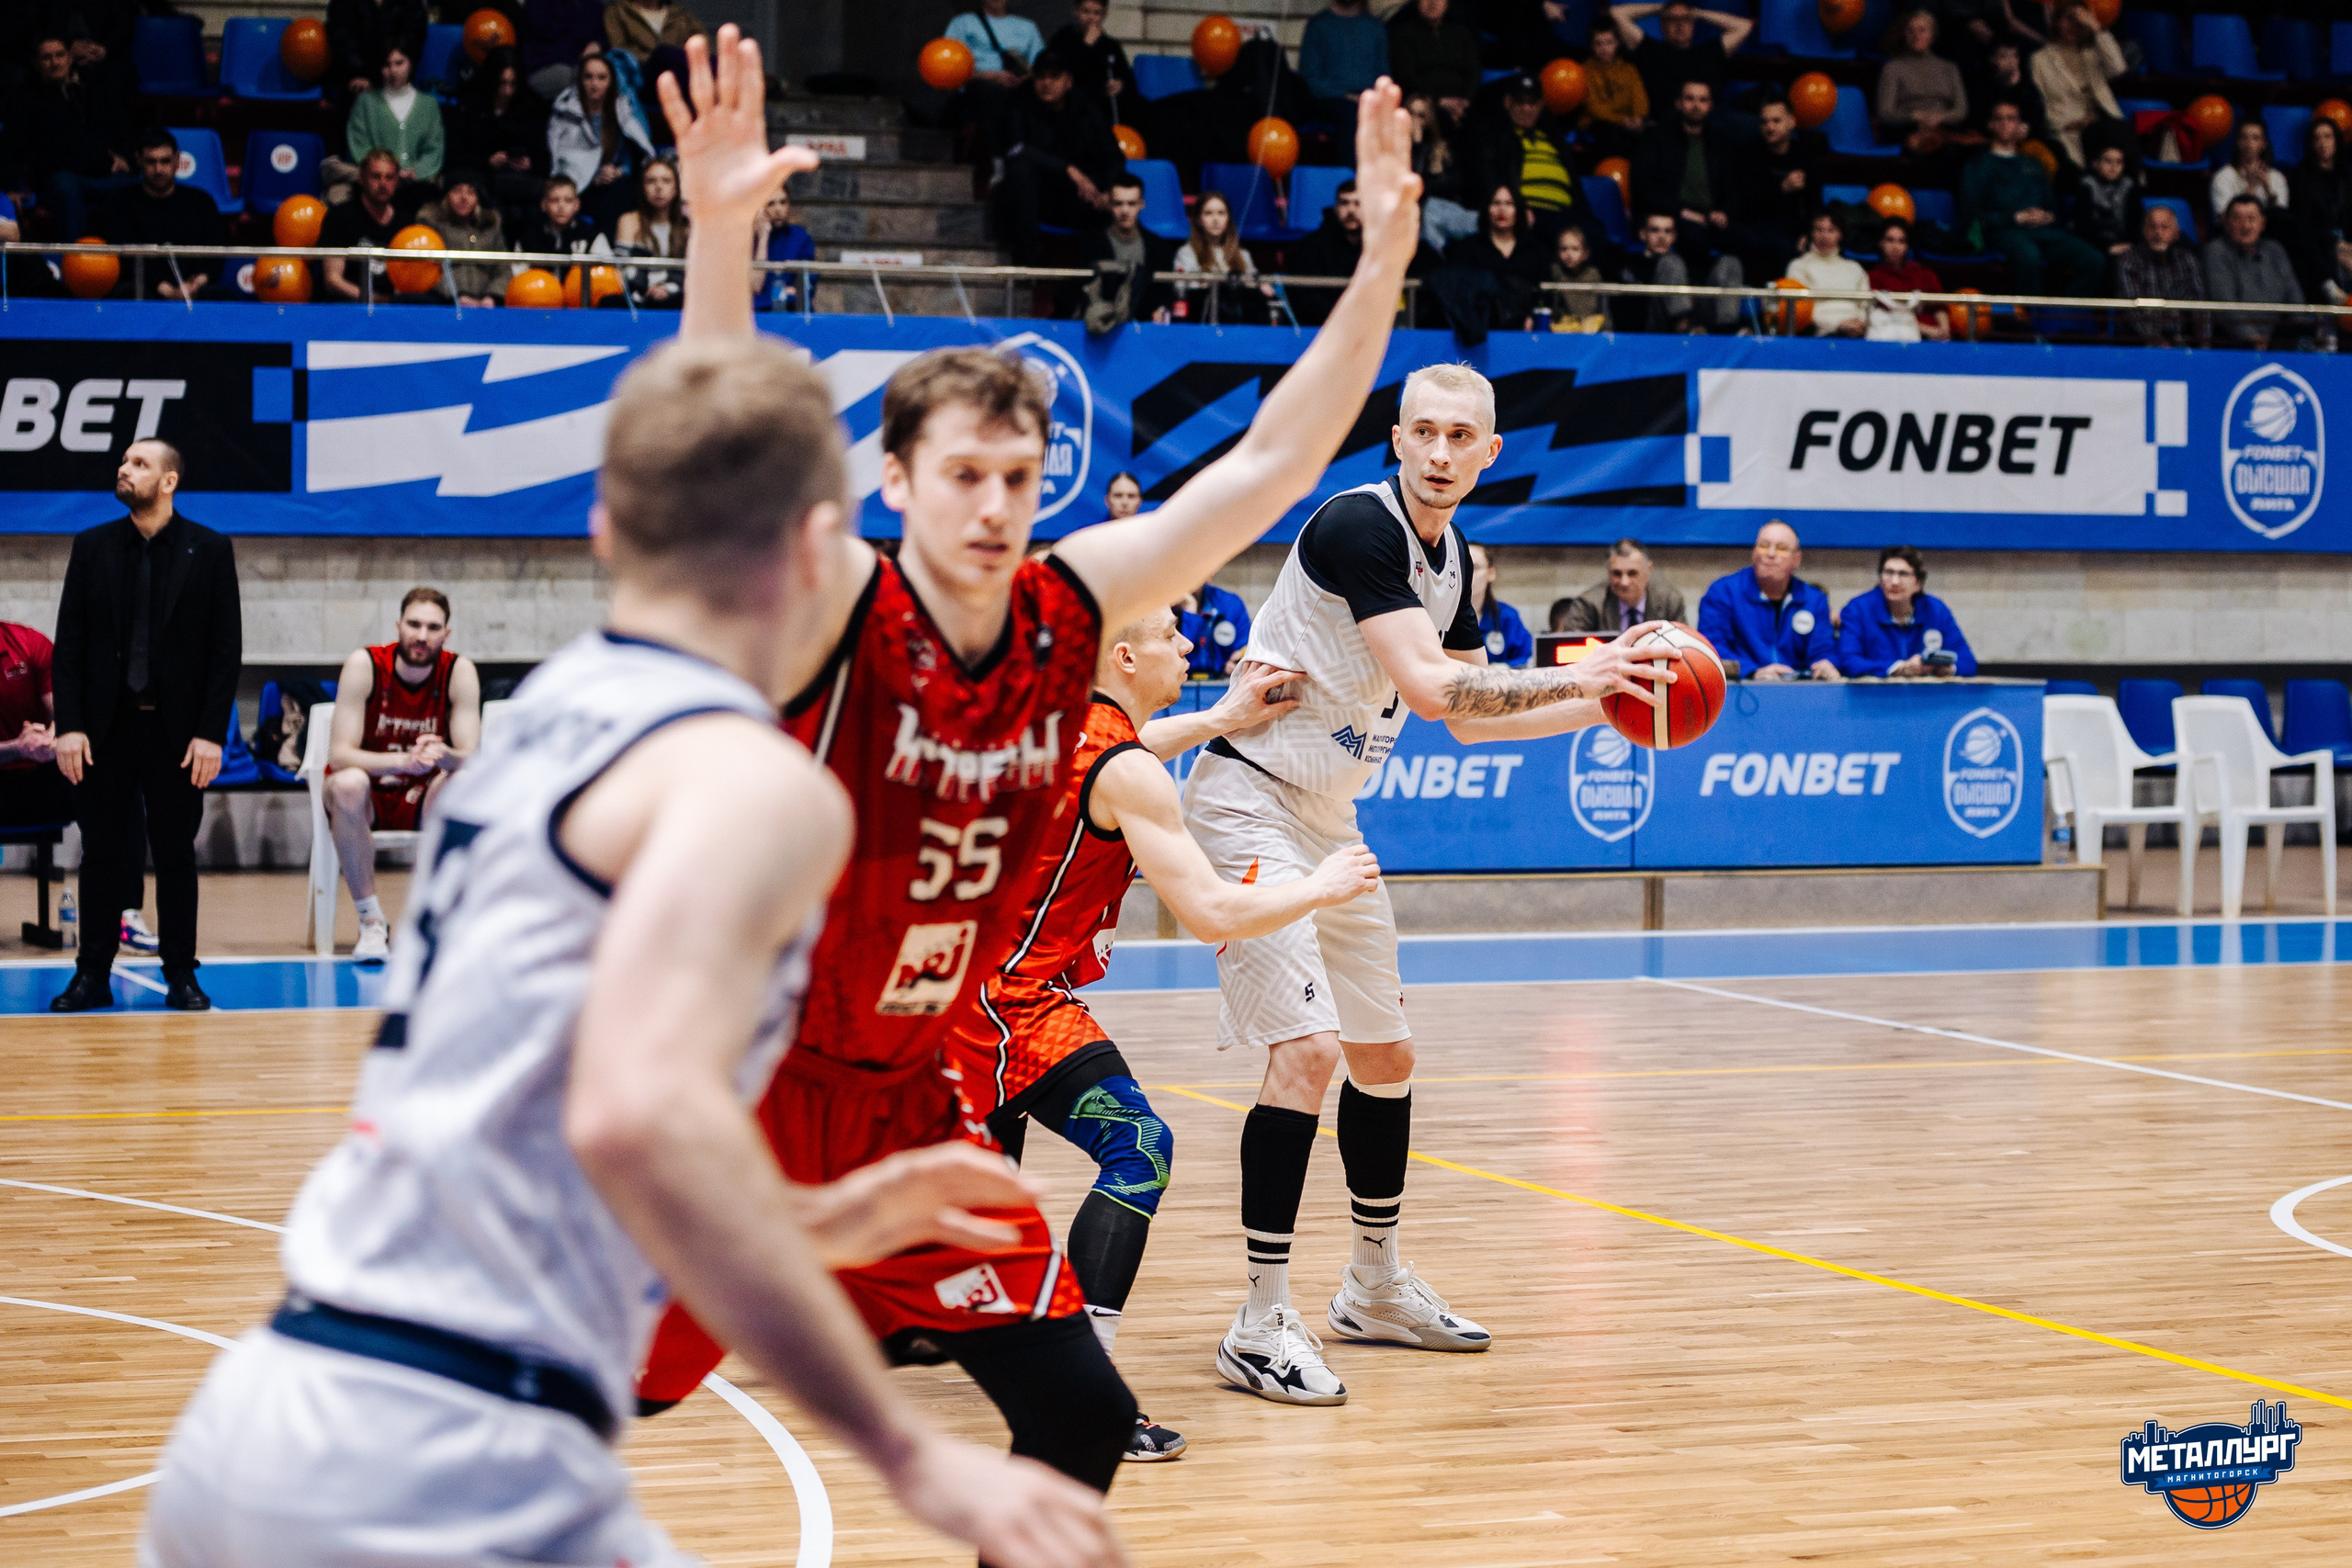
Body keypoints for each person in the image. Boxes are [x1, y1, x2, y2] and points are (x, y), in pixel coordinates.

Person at [137, 267, 1126, 1568]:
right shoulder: (748, 777)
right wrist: (911, 1453)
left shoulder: (542, 723)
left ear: (603, 527)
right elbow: (631, 1120)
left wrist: (839, 1220)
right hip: (455, 1455)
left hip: (275, 1403)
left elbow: (586, 1167)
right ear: (816, 546)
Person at [635, 44, 1438, 1506]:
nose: (996, 502)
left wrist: (1382, 256)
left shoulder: (1071, 613)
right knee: (573, 1402)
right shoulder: (837, 610)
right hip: (751, 1082)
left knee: (1077, 1413)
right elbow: (724, 438)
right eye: (962, 475)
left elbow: (1264, 462)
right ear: (896, 487)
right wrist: (713, 233)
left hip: (915, 1098)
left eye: (1019, 474)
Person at [1178, 362, 1667, 1407]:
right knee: (1306, 1054)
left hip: (1326, 819)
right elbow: (1434, 690)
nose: (1440, 453)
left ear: (1490, 453)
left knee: (1385, 1053)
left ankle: (1372, 1287)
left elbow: (1477, 709)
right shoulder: (1357, 527)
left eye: (1461, 438)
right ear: (1394, 440)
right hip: (1247, 801)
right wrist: (1590, 668)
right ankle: (1259, 1319)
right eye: (1424, 434)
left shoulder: (1454, 564)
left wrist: (1610, 706)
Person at [951, 636, 1381, 1463]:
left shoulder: (1071, 724)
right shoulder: (1125, 769)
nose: (1187, 639)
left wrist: (1219, 718)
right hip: (1010, 1001)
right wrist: (1320, 886)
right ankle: (1086, 1401)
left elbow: (1126, 754)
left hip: (973, 984)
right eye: (1169, 629)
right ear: (1124, 654)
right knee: (1139, 1145)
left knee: (970, 1197)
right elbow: (1215, 912)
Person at [49, 440, 240, 1015]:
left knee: (175, 853)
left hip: (177, 735)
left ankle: (182, 974)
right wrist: (70, 726)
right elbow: (70, 646)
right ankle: (92, 975)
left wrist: (211, 733)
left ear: (168, 482)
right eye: (124, 462)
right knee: (101, 854)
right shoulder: (93, 547)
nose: (124, 470)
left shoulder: (208, 549)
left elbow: (224, 650)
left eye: (139, 464)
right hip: (104, 731)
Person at [322, 589, 481, 962]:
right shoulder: (365, 664)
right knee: (348, 783)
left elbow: (471, 757)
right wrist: (403, 762)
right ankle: (371, 921)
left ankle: (443, 916)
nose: (421, 636)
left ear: (447, 634)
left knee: (465, 783)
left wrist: (446, 756)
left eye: (432, 627)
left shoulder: (460, 672)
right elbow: (341, 754)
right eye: (414, 624)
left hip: (422, 794)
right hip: (367, 793)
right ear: (398, 626)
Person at [1960, 99, 2103, 299]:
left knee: (2093, 259)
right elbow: (1972, 215)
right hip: (2005, 232)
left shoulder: (2033, 164)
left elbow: (2051, 205)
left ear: (2020, 126)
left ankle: (2067, 314)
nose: (2004, 123)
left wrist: (2047, 216)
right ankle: (2033, 321)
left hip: (2043, 232)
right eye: (1999, 118)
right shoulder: (1978, 166)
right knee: (2029, 256)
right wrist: (2015, 218)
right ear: (1990, 124)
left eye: (2011, 119)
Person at [995, 51, 1122, 267]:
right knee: (1019, 171)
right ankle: (1029, 265)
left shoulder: (1086, 110)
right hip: (1039, 198)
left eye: (1054, 76)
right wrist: (1067, 168)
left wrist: (1109, 191)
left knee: (1117, 199)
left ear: (1068, 81)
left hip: (1079, 197)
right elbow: (1016, 150)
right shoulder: (1020, 105)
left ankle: (1100, 276)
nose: (1046, 83)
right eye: (1041, 76)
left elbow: (1113, 156)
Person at [22, 33, 135, 243]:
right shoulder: (29, 100)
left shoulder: (93, 90)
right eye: (47, 57)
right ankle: (72, 262)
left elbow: (118, 130)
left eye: (60, 55)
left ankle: (129, 265)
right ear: (38, 63)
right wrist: (106, 162)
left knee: (137, 186)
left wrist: (125, 159)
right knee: (66, 188)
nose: (55, 62)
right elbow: (55, 151)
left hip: (102, 175)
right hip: (61, 177)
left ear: (70, 58)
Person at [1695, 521, 1838, 681]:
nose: (1770, 554)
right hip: (1741, 692)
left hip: (1799, 693)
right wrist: (1753, 671)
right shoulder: (1723, 593)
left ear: (1796, 559)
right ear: (1754, 553)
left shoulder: (1814, 600)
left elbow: (1824, 650)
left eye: (1781, 548)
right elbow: (1712, 649)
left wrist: (1826, 664)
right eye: (1763, 545)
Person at [97, 129, 226, 302]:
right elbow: (126, 259)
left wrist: (194, 285)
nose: (159, 169)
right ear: (138, 160)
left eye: (165, 161)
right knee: (128, 293)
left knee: (222, 297)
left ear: (177, 160)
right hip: (145, 290)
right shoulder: (121, 202)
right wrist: (167, 291)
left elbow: (215, 253)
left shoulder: (201, 202)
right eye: (151, 162)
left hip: (194, 289)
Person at [1631, 80, 1739, 277]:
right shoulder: (1656, 138)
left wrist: (1723, 212)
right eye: (1690, 99)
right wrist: (1682, 212)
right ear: (1678, 103)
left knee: (1743, 241)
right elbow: (1643, 188)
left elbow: (1730, 190)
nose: (1696, 105)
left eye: (1703, 100)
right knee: (1693, 237)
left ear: (1711, 106)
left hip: (1709, 219)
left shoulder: (1719, 144)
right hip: (1670, 214)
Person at [1475, 72, 1586, 249]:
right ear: (1508, 103)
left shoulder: (1555, 140)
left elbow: (1577, 189)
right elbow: (1491, 182)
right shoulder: (1497, 139)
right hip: (1525, 212)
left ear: (1541, 105)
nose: (1527, 108)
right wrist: (1517, 209)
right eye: (1520, 102)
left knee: (1594, 231)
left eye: (1532, 103)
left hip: (1564, 216)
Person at [547, 50, 653, 226]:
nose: (594, 84)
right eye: (588, 77)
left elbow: (633, 154)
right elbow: (560, 159)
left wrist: (619, 171)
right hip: (578, 187)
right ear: (580, 81)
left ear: (611, 82)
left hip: (613, 185)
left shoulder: (622, 112)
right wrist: (591, 176)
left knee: (625, 190)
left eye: (602, 78)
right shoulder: (565, 112)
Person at [1835, 547, 1975, 679]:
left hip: (1925, 697)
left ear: (1918, 583)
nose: (1894, 581)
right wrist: (1899, 668)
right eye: (1888, 572)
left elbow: (1968, 662)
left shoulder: (1936, 610)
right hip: (1874, 697)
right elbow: (1849, 662)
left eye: (1903, 574)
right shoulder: (1858, 609)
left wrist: (1948, 670)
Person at [447, 47, 547, 225]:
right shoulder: (469, 105)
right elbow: (455, 154)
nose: (507, 91)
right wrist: (487, 161)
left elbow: (543, 156)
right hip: (480, 174)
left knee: (532, 202)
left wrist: (529, 163)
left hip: (520, 179)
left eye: (512, 84)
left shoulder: (531, 106)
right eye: (502, 83)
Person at [1730, 93, 1819, 287]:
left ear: (1791, 122)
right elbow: (1746, 204)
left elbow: (1814, 200)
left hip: (1793, 227)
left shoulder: (1805, 155)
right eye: (1764, 122)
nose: (1769, 127)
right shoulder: (1749, 155)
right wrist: (1781, 188)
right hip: (1758, 227)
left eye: (1776, 121)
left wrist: (1808, 233)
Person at [1069, 174, 1177, 328]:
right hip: (1098, 328)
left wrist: (1160, 310)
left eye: (1131, 203)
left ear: (1142, 204)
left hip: (1143, 333)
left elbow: (1165, 294)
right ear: (1109, 205)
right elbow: (1075, 293)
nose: (1125, 210)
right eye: (1118, 204)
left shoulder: (1158, 248)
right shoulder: (1091, 245)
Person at [2027, 1, 2124, 171]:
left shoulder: (2092, 53)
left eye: (2080, 21)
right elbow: (2040, 103)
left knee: (2122, 136)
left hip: (2101, 125)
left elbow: (2119, 68)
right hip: (2067, 128)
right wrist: (2071, 124)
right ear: (2057, 21)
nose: (2075, 26)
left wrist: (2095, 26)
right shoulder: (2039, 60)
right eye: (2069, 19)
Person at [1611, 2, 1750, 119]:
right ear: (1662, 26)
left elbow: (1744, 26)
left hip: (1711, 125)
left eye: (1686, 19)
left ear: (1693, 25)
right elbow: (1616, 13)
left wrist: (1697, 13)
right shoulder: (1650, 50)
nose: (1680, 25)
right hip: (1664, 126)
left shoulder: (1709, 51)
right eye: (1672, 20)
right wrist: (1661, 8)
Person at [1439, 184, 1548, 332]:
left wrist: (1531, 316)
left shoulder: (1535, 251)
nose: (1502, 209)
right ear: (1486, 209)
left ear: (1519, 210)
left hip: (1526, 333)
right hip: (1477, 331)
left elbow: (1544, 294)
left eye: (1509, 204)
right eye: (1496, 203)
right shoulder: (1467, 248)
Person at [2203, 195, 2304, 353]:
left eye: (2251, 219)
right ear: (2226, 223)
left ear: (2262, 223)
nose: (2245, 226)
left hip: (2277, 341)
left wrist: (2302, 327)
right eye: (2237, 219)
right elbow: (2224, 303)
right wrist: (2250, 336)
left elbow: (2294, 294)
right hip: (2232, 344)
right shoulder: (2216, 251)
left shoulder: (2275, 250)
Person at [346, 44, 447, 198]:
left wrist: (417, 172)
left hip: (417, 185)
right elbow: (359, 145)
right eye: (387, 65)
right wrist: (385, 172)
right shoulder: (366, 102)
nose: (393, 71)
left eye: (399, 63)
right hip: (376, 184)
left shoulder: (429, 104)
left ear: (410, 64)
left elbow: (434, 149)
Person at [0, 621, 70, 833]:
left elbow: (65, 715)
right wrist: (18, 747)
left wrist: (49, 739)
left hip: (42, 773)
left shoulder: (29, 642)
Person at [1613, 209, 1729, 333]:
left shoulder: (1686, 265)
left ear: (1674, 237)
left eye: (1668, 231)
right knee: (1670, 262)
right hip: (1649, 330)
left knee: (1729, 262)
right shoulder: (1629, 265)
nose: (1661, 237)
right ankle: (1683, 328)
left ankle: (1731, 334)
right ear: (1643, 234)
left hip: (1694, 326)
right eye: (1654, 230)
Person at [1876, 10, 1969, 157]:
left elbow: (1961, 110)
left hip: (1943, 127)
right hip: (1909, 127)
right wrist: (1914, 116)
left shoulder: (1949, 68)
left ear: (1932, 35)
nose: (1916, 36)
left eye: (1922, 30)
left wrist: (1941, 117)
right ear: (1904, 35)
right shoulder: (1893, 68)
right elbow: (1886, 113)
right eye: (1910, 31)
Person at [321, 150, 410, 302]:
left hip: (391, 309)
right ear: (362, 179)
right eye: (376, 176)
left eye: (389, 177)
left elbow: (409, 280)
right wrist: (375, 300)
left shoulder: (406, 223)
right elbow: (332, 280)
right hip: (348, 307)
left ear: (396, 181)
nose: (383, 184)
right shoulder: (339, 217)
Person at [2114, 201, 2207, 348]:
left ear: (2176, 233)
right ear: (2144, 231)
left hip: (2182, 343)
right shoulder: (2129, 260)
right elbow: (2132, 310)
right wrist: (2158, 344)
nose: (2158, 233)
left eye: (2164, 227)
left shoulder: (2188, 260)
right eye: (2152, 227)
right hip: (2139, 346)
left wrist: (2204, 348)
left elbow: (2199, 306)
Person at [1174, 189, 1274, 322]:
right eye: (1208, 213)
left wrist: (1260, 285)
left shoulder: (1243, 254)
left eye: (1221, 213)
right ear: (1198, 219)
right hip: (1203, 319)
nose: (1216, 219)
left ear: (1228, 218)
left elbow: (1252, 284)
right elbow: (1183, 289)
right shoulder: (1186, 253)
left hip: (1240, 320)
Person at [1554, 539, 1687, 635]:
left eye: (1632, 573)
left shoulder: (1670, 602)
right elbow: (1570, 654)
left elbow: (1684, 648)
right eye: (1617, 573)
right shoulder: (1588, 605)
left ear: (1648, 570)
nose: (1624, 582)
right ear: (1608, 571)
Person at [417, 171, 511, 306]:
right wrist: (456, 296)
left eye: (471, 192)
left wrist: (491, 297)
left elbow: (504, 270)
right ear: (447, 195)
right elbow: (424, 269)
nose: (464, 198)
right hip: (443, 302)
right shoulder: (431, 225)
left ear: (478, 198)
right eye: (457, 191)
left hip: (486, 304)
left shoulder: (491, 228)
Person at [2288, 117, 2350, 303]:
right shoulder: (2301, 176)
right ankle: (2330, 288)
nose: (2323, 143)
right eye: (2317, 138)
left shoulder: (2346, 176)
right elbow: (2303, 219)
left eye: (2328, 137)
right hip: (2318, 242)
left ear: (2337, 141)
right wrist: (2335, 244)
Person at [1387, 0, 1480, 125]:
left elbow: (1473, 72)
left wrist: (1465, 101)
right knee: (1418, 107)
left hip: (1461, 101)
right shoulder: (1403, 34)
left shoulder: (1462, 34)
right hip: (1424, 98)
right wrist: (1439, 100)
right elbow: (1406, 76)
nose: (1432, 3)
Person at [613, 154, 688, 306]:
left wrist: (667, 289)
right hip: (638, 296)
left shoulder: (687, 226)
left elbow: (693, 274)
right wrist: (648, 291)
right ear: (643, 188)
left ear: (676, 188)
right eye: (651, 181)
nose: (658, 187)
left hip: (675, 296)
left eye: (666, 181)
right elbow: (621, 270)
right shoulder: (629, 221)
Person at [1408, 93, 1477, 248]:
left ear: (1429, 120)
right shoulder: (1393, 150)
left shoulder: (1441, 149)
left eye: (1420, 116)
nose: (1414, 122)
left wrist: (1425, 186)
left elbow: (1453, 183)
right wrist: (1415, 147)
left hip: (1442, 209)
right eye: (1411, 114)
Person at [1301, 0, 1388, 124]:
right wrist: (1345, 95)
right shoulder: (1318, 25)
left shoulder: (1375, 27)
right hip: (1330, 101)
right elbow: (1309, 77)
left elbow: (1384, 75)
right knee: (1350, 113)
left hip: (1370, 101)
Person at [1782, 210, 1868, 336]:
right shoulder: (1798, 266)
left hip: (1856, 335)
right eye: (1819, 230)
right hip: (1818, 337)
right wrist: (1837, 325)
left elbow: (1865, 307)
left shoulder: (1855, 268)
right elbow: (1800, 312)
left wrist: (1860, 324)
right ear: (1811, 233)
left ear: (1840, 234)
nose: (1824, 236)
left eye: (1831, 230)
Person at [326, 0, 429, 102]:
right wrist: (359, 73)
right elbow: (341, 37)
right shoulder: (342, 4)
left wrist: (395, 66)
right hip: (354, 73)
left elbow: (414, 36)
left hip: (396, 66)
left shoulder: (412, 4)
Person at [1046, 0, 1136, 114]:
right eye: (1086, 11)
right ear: (1075, 11)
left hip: (1102, 104)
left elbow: (1127, 77)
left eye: (1097, 13)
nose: (1091, 18)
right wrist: (1086, 46)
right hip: (1070, 103)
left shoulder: (1109, 45)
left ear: (1104, 15)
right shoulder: (1062, 38)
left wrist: (1120, 84)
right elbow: (1064, 71)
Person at [1867, 219, 1951, 339]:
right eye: (1890, 240)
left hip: (1936, 339)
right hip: (1894, 337)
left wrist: (1944, 330)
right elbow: (1884, 317)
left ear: (1907, 246)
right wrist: (1928, 331)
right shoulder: (1873, 277)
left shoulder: (1925, 275)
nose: (1895, 246)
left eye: (1901, 241)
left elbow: (1939, 308)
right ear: (1880, 243)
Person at [1576, 24, 1647, 157]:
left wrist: (1638, 118)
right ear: (1591, 45)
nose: (1604, 48)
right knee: (1608, 132)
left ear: (1618, 43)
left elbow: (1639, 97)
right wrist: (1621, 120)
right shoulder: (1584, 70)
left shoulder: (1629, 69)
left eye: (1609, 42)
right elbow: (1593, 107)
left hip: (1629, 123)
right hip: (1598, 124)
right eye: (1598, 43)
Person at [513, 173, 613, 262]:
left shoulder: (593, 236)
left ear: (577, 205)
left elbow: (608, 276)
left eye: (568, 200)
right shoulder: (527, 239)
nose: (561, 207)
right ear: (544, 205)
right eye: (554, 200)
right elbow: (518, 278)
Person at [2066, 141, 2138, 264]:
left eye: (2119, 162)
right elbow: (2082, 226)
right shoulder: (2086, 185)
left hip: (2121, 242)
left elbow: (2135, 222)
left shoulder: (2129, 186)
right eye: (2108, 161)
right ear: (2096, 164)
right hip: (2092, 243)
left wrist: (2128, 245)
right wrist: (2107, 247)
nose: (2113, 167)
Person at [752, 180, 818, 310]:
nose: (778, 209)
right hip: (759, 313)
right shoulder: (750, 239)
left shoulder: (800, 237)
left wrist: (793, 291)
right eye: (771, 204)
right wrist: (763, 236)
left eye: (783, 202)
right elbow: (755, 287)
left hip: (791, 310)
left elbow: (807, 282)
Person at [520, 0, 604, 101]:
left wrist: (597, 44)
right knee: (580, 77)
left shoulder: (592, 5)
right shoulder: (540, 4)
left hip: (582, 66)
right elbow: (541, 42)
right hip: (544, 65)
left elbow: (601, 36)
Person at [1465, 544, 1532, 667]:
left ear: (1491, 573)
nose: (1467, 574)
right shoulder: (1440, 616)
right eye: (1461, 566)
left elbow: (1528, 658)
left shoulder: (1507, 617)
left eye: (1474, 567)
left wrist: (1504, 669)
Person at [2211, 120, 2288, 225]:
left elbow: (2282, 219)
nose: (2249, 143)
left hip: (2270, 233)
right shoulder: (2223, 176)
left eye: (2255, 138)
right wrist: (2251, 187)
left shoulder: (2276, 177)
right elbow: (2223, 219)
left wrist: (2268, 189)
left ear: (2264, 144)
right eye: (2244, 137)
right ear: (2237, 142)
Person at [1176, 579, 1251, 677]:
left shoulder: (1230, 604)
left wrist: (1238, 662)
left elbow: (1244, 648)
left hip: (1221, 684)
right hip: (1179, 684)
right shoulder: (1163, 606)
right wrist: (1190, 611)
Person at [1975, 39, 2043, 142]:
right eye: (2004, 56)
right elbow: (1979, 119)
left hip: (2025, 141)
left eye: (2015, 56)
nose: (2011, 61)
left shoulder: (2028, 87)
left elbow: (2037, 118)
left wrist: (2027, 129)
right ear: (1993, 59)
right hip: (1992, 141)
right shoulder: (1984, 86)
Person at [1545, 225, 1608, 331]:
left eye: (1575, 249)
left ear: (1585, 253)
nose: (1569, 254)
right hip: (1562, 331)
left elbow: (1603, 309)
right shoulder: (1554, 273)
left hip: (1590, 331)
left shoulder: (1594, 275)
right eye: (1564, 249)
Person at [603, 0, 700, 62]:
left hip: (678, 72)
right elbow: (620, 49)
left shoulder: (681, 15)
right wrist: (656, 59)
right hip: (638, 77)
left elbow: (700, 42)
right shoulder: (618, 12)